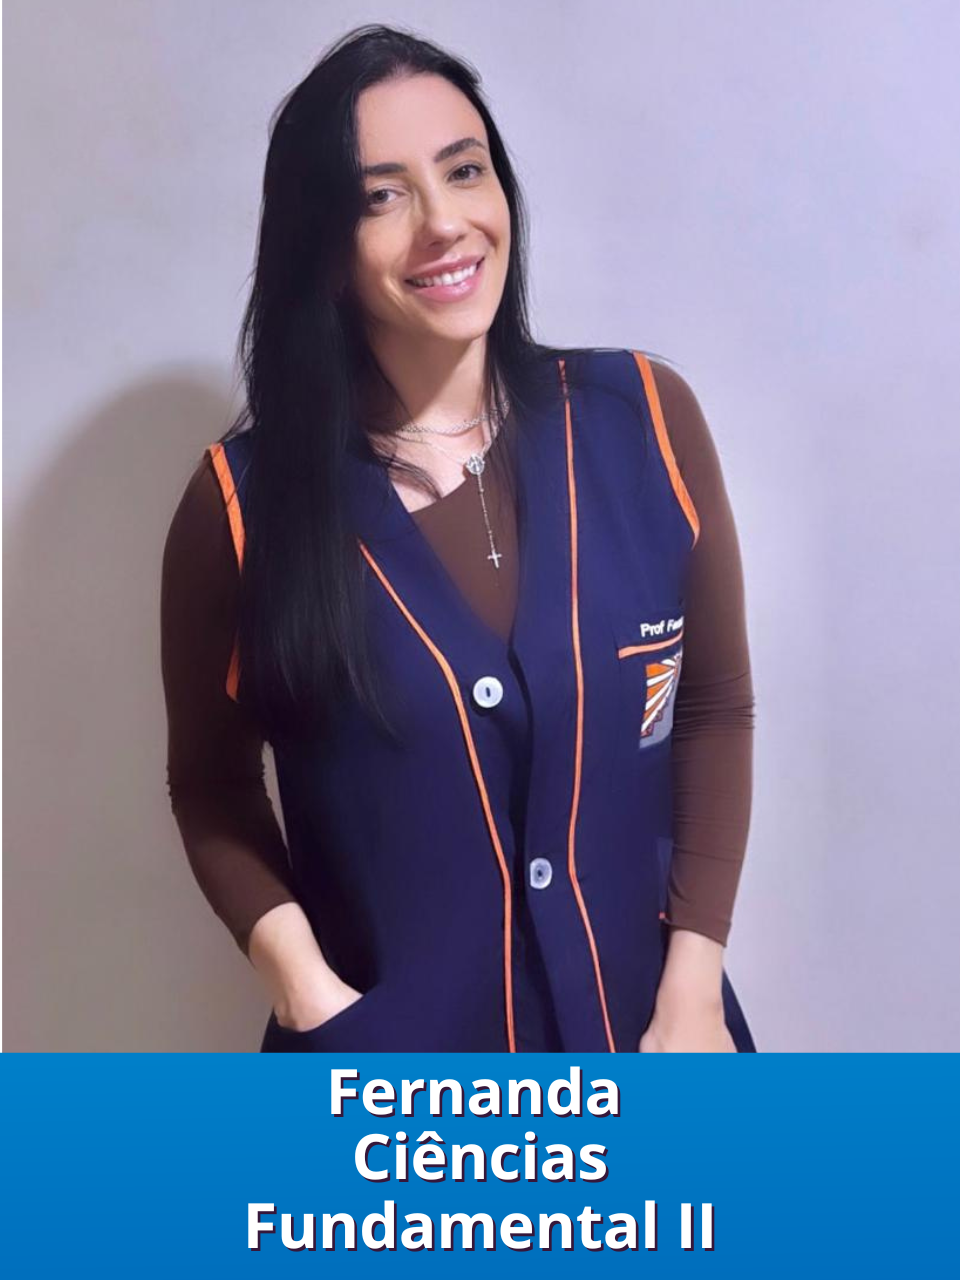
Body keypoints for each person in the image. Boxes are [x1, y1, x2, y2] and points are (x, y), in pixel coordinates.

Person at [161, 23, 757, 1053]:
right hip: (390, 1087)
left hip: (661, 1045)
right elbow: (210, 786)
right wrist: (305, 988)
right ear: (322, 244)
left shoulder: (643, 420)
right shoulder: (241, 506)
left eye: (464, 171)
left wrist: (694, 987)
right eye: (381, 196)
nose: (444, 223)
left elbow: (712, 707)